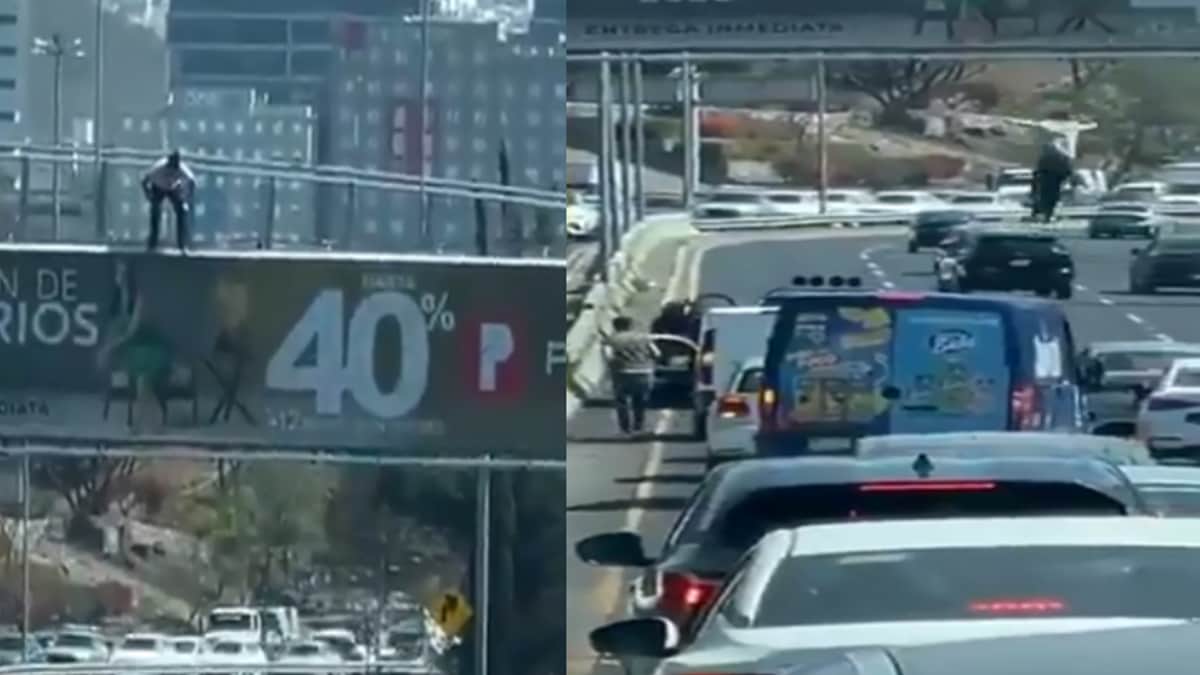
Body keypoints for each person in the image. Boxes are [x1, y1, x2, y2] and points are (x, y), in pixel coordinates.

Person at [602, 316, 661, 436]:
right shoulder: (644, 338)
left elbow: (608, 357)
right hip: (644, 372)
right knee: (640, 400)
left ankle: (625, 429)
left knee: (622, 401)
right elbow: (657, 353)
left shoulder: (611, 339)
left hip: (622, 373)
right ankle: (638, 427)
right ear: (630, 325)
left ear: (615, 326)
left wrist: (613, 367)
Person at [141, 149, 196, 251]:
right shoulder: (158, 168)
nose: (172, 172)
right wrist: (148, 194)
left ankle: (182, 244)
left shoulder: (181, 168)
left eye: (174, 170)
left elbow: (192, 181)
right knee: (155, 212)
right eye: (170, 169)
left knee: (182, 211)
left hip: (174, 188)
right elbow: (144, 180)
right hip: (158, 187)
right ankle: (152, 244)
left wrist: (187, 197)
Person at [1031, 139, 1074, 223]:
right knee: (1051, 199)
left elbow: (1039, 170)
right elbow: (1067, 169)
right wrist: (1066, 177)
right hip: (1054, 181)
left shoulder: (1045, 157)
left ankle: (1044, 214)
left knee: (1045, 198)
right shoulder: (1061, 156)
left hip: (1046, 181)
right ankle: (1047, 214)